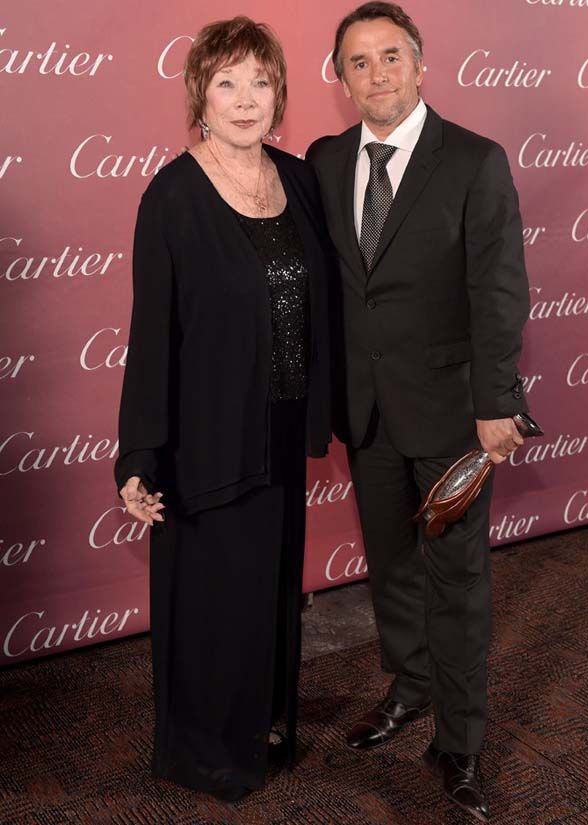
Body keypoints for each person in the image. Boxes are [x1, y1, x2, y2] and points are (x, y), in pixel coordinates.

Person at [306, 3, 530, 821]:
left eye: (390, 57)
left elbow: (499, 288)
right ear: (340, 79)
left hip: (451, 417)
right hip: (366, 414)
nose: (376, 75)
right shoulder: (327, 160)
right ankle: (410, 687)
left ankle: (461, 743)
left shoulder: (474, 161)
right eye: (357, 62)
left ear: (421, 64)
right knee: (391, 568)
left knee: (459, 581)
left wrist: (497, 402)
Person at [113, 16, 332, 802]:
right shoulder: (172, 194)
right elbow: (151, 334)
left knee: (267, 588)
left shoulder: (296, 177)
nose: (247, 99)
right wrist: (138, 453)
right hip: (203, 436)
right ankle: (204, 746)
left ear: (280, 94)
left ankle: (264, 721)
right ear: (199, 94)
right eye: (228, 82)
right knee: (211, 597)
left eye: (262, 82)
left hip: (277, 424)